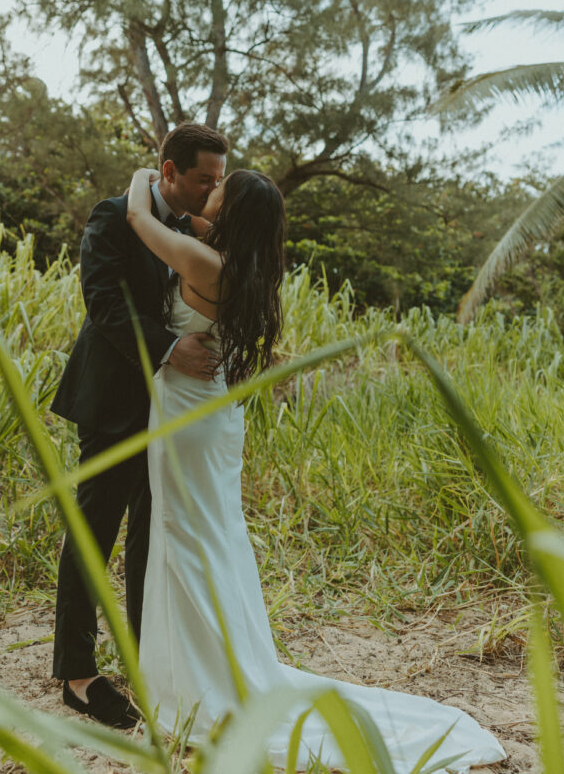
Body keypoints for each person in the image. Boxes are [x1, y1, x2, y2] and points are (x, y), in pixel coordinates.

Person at [126, 166, 506, 772]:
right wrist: (194, 205)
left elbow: (139, 218)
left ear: (232, 214)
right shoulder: (241, 263)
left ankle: (196, 685)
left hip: (187, 422)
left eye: (219, 191)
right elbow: (188, 222)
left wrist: (149, 172)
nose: (210, 194)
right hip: (211, 417)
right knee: (210, 538)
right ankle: (197, 668)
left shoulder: (207, 264)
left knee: (188, 540)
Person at [50, 123, 228, 727]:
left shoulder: (182, 228)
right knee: (92, 535)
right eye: (203, 177)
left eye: (218, 180)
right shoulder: (110, 217)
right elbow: (102, 305)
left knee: (153, 537)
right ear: (169, 171)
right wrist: (170, 348)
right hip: (112, 405)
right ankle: (77, 675)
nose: (212, 188)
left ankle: (148, 659)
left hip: (168, 413)